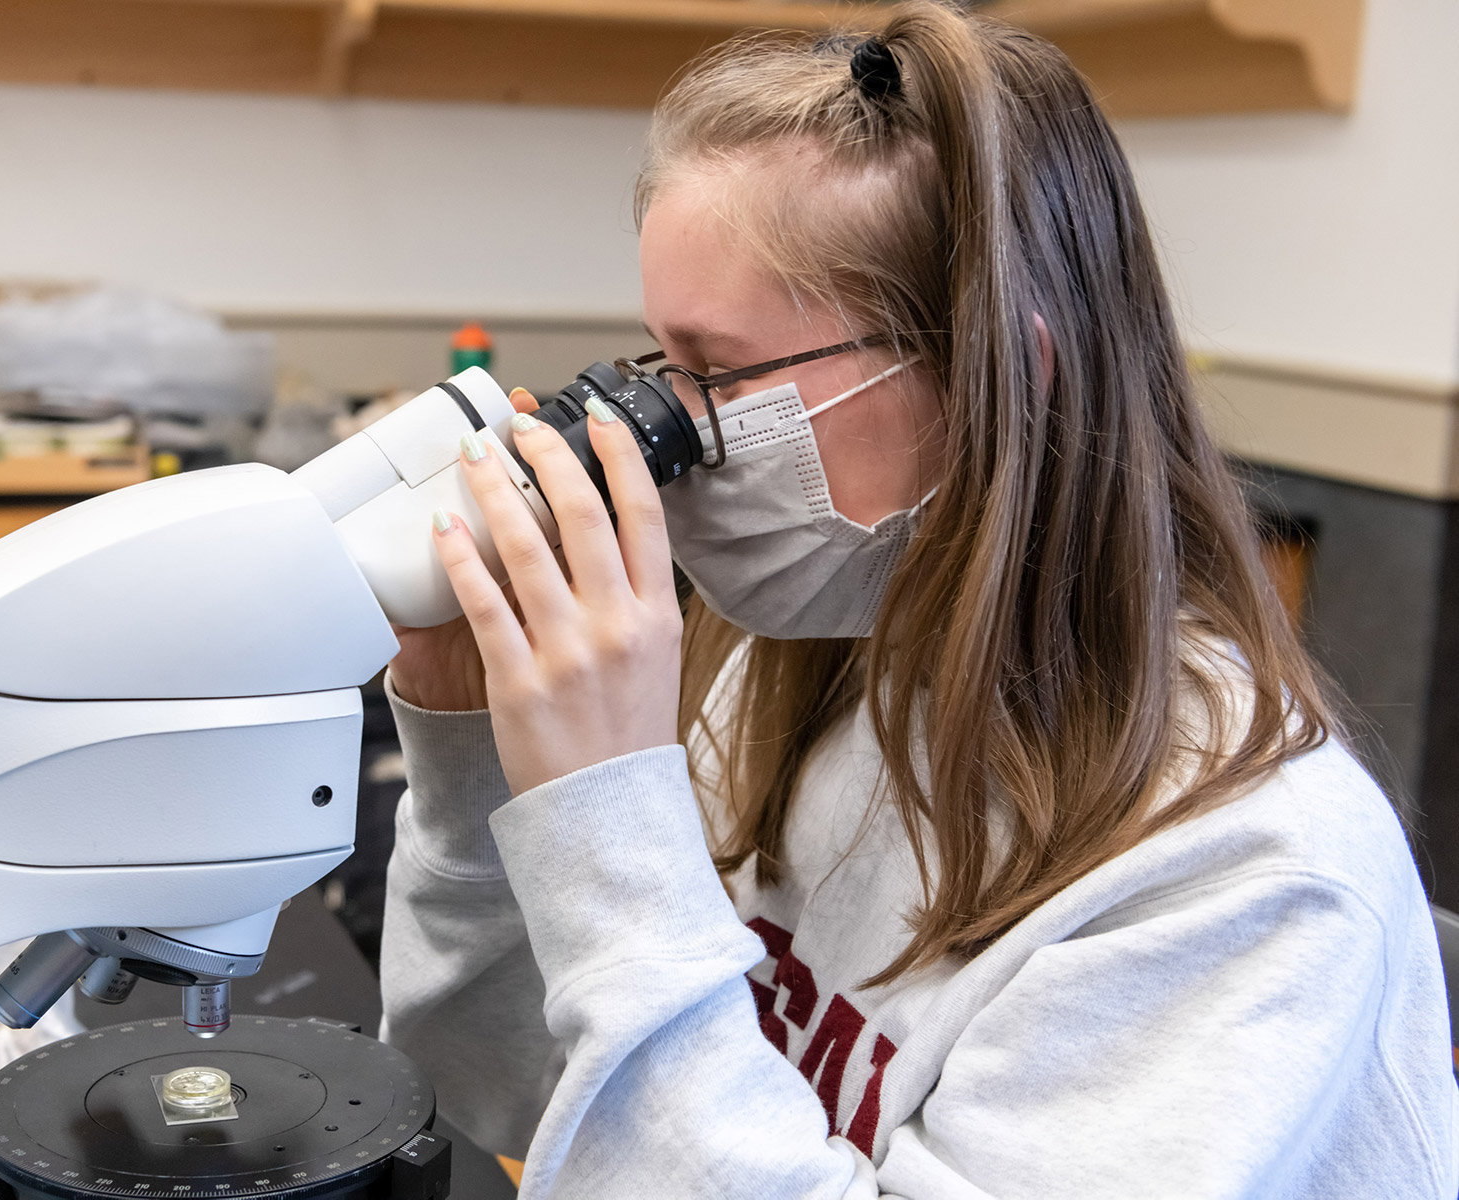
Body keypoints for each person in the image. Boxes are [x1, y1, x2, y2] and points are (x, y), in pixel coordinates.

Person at [377, 4, 1459, 1196]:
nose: (675, 440)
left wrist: (608, 821)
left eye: (723, 376)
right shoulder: (809, 667)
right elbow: (529, 1095)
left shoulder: (1244, 881)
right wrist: (475, 747)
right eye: (663, 369)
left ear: (1004, 382)